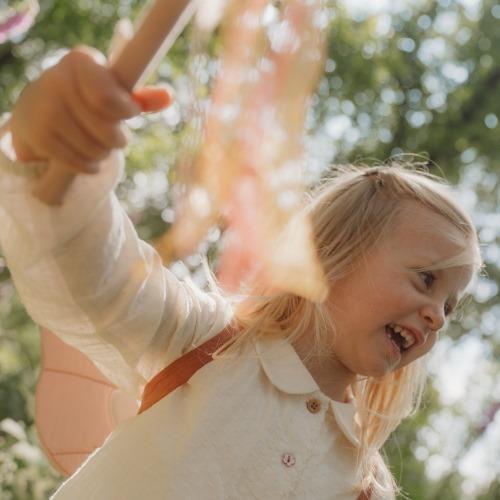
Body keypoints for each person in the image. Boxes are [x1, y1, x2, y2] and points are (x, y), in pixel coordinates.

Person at [0, 47, 481, 500]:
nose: (438, 317)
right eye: (426, 280)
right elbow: (98, 279)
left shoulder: (359, 484)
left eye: (449, 306)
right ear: (338, 253)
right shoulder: (205, 343)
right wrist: (53, 154)